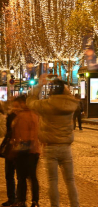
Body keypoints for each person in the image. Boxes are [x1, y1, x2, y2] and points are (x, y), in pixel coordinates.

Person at [27, 76, 79, 207]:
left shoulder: (46, 105)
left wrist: (39, 86)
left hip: (50, 147)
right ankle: (75, 205)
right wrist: (62, 87)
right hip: (66, 147)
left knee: (52, 181)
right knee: (70, 181)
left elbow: (30, 102)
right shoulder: (71, 104)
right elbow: (67, 96)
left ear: (51, 91)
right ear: (64, 90)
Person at [11, 96, 40, 207]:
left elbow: (28, 133)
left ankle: (22, 200)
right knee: (31, 177)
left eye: (17, 105)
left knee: (23, 177)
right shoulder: (34, 114)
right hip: (33, 150)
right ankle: (34, 201)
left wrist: (22, 144)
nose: (15, 108)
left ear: (23, 104)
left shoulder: (25, 115)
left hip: (25, 149)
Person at [0, 100, 18, 206]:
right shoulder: (11, 116)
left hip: (15, 148)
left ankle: (15, 199)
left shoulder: (17, 116)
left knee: (13, 175)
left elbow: (8, 131)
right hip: (12, 148)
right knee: (10, 175)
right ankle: (14, 199)